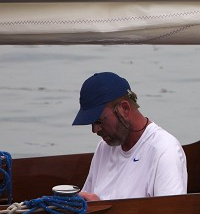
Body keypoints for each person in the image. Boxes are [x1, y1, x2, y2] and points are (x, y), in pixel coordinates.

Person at [71, 72, 188, 201]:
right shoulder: (103, 147)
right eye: (91, 123)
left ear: (125, 108)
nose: (95, 130)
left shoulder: (164, 150)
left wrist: (100, 209)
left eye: (98, 121)